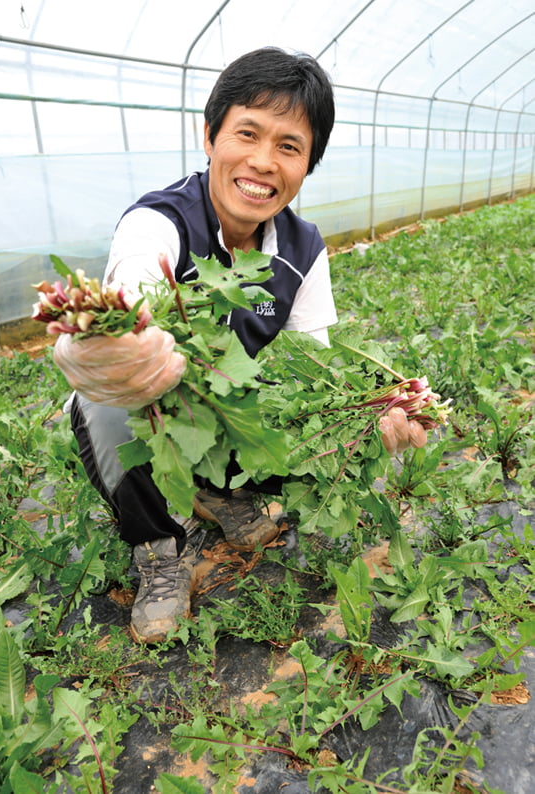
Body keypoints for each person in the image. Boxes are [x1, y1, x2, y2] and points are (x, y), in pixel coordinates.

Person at [54, 47, 425, 643]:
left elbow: (315, 371)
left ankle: (222, 496)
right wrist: (119, 346)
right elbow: (131, 289)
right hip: (160, 407)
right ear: (210, 136)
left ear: (308, 164)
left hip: (229, 408)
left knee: (317, 419)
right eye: (247, 133)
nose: (262, 162)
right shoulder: (160, 222)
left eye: (289, 146)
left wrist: (366, 413)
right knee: (106, 400)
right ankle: (158, 548)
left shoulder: (303, 250)